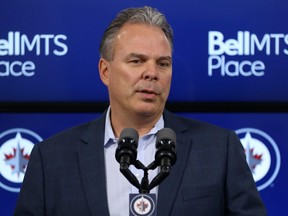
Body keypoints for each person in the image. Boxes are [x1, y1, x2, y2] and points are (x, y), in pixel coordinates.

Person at [14, 6, 266, 216]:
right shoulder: (50, 159)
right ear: (105, 71)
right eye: (136, 61)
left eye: (163, 63)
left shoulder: (221, 149)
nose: (152, 73)